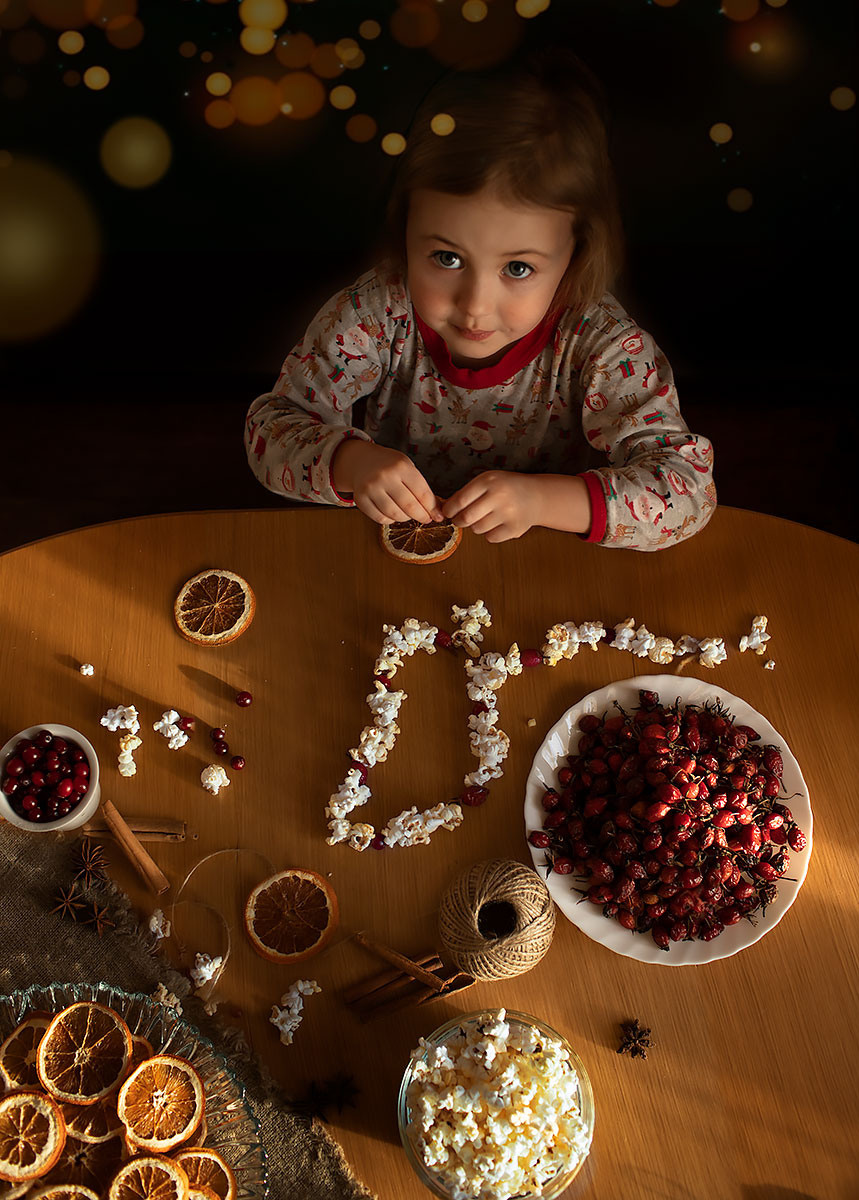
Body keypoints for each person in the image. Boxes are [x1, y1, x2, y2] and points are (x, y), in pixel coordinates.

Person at [244, 49, 716, 550]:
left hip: (549, 561)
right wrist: (350, 463)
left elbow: (687, 492)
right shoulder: (374, 313)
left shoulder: (605, 348)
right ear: (406, 227)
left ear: (576, 253)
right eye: (447, 258)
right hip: (393, 551)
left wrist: (542, 502)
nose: (474, 305)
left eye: (518, 268)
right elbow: (271, 431)